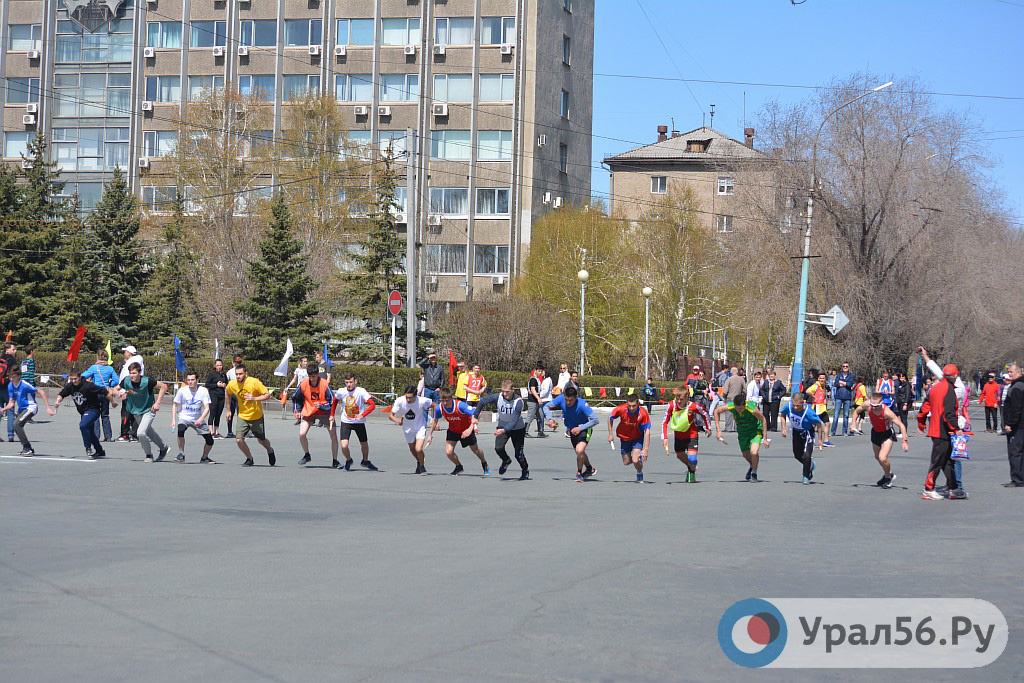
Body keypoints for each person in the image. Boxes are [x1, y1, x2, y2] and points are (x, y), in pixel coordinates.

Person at [917, 363, 964, 500]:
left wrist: (921, 423)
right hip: (942, 430)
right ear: (954, 376)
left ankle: (953, 488)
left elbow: (924, 407)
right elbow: (949, 414)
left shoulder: (935, 388)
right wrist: (956, 428)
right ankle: (928, 489)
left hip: (936, 429)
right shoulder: (949, 390)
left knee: (947, 460)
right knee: (937, 461)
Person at [473, 379, 530, 480]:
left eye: (507, 391)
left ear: (513, 389)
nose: (505, 394)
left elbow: (514, 421)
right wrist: (475, 416)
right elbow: (482, 401)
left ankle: (525, 471)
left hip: (517, 428)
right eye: (503, 391)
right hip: (503, 425)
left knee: (519, 454)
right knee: (498, 448)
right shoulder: (497, 397)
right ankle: (506, 460)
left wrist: (504, 430)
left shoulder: (518, 402)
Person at [55, 369, 116, 460]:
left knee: (83, 425)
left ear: (80, 377)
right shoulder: (70, 386)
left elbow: (104, 391)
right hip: (83, 412)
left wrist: (113, 402)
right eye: (72, 379)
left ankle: (88, 448)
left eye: (75, 379)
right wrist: (58, 401)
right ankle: (99, 451)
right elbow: (61, 394)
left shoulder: (88, 386)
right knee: (90, 432)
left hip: (93, 410)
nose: (74, 381)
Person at [851, 392, 908, 488]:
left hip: (887, 434)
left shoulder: (887, 412)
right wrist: (853, 423)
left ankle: (888, 478)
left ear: (881, 403)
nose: (873, 408)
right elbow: (856, 411)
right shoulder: (867, 405)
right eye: (872, 405)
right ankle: (889, 473)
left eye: (876, 406)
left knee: (882, 458)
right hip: (876, 433)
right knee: (877, 457)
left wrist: (904, 441)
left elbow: (901, 425)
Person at [224, 364, 277, 467]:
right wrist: (228, 410)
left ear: (246, 374)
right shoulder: (232, 384)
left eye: (240, 374)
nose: (238, 376)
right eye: (236, 374)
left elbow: (267, 395)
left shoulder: (254, 382)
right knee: (239, 439)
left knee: (261, 440)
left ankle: (270, 450)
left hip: (256, 416)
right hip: (242, 416)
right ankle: (249, 458)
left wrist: (254, 398)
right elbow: (227, 393)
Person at [429, 387, 489, 476]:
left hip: (466, 430)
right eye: (443, 401)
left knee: (475, 450)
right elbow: (435, 420)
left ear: (451, 398)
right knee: (449, 452)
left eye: (447, 401)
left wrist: (470, 429)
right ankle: (458, 466)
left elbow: (477, 413)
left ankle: (484, 463)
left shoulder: (460, 405)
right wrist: (430, 435)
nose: (445, 403)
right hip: (453, 430)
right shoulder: (439, 408)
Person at [546, 386, 600, 482]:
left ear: (576, 397)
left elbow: (595, 420)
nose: (568, 403)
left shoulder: (582, 404)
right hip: (572, 430)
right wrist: (550, 419)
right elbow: (546, 406)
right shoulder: (561, 398)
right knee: (580, 452)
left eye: (570, 400)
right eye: (566, 400)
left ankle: (579, 473)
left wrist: (580, 428)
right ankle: (589, 469)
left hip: (584, 428)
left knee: (579, 450)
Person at [713, 391, 769, 481]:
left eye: (741, 408)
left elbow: (763, 419)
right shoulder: (731, 406)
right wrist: (718, 431)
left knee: (754, 452)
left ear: (745, 405)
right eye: (737, 408)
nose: (739, 410)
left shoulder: (752, 408)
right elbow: (716, 411)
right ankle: (753, 465)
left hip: (755, 431)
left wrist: (765, 438)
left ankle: (754, 473)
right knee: (746, 454)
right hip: (742, 432)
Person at [119, 362, 168, 464]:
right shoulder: (126, 380)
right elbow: (115, 389)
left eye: (134, 373)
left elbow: (164, 386)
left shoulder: (148, 381)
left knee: (141, 433)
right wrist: (119, 394)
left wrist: (158, 402)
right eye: (130, 373)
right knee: (149, 432)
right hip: (136, 410)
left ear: (139, 373)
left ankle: (148, 455)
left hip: (149, 409)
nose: (132, 375)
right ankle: (164, 448)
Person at [661, 386, 711, 483]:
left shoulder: (692, 406)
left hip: (692, 435)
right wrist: (664, 437)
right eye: (677, 398)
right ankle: (691, 467)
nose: (679, 401)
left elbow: (705, 413)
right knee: (679, 455)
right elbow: (664, 422)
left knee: (692, 459)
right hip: (678, 436)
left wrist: (708, 428)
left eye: (681, 399)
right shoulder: (671, 405)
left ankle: (692, 471)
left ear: (687, 397)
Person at [332, 373, 378, 471]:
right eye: (347, 382)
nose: (349, 384)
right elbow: (335, 401)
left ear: (355, 381)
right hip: (346, 421)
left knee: (364, 443)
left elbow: (372, 405)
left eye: (351, 382)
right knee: (344, 445)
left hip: (359, 422)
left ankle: (365, 461)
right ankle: (349, 460)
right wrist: (332, 415)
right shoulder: (341, 391)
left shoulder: (361, 391)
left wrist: (362, 415)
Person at [4, 367, 54, 455]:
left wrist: (48, 407)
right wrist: (3, 409)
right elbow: (11, 403)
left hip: (31, 407)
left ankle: (27, 448)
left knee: (17, 424)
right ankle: (28, 448)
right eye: (10, 377)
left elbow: (41, 392)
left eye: (13, 377)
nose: (11, 379)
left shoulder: (24, 385)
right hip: (22, 409)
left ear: (19, 376)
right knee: (16, 426)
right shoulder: (10, 386)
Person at [295, 370, 339, 468]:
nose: (312, 379)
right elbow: (296, 398)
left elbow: (332, 401)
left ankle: (335, 460)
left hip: (325, 412)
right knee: (302, 434)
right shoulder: (303, 383)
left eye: (314, 376)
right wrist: (297, 410)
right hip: (309, 411)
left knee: (333, 435)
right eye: (310, 376)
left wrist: (322, 406)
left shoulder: (324, 384)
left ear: (318, 375)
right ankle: (307, 455)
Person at [171, 371, 216, 464]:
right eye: (188, 380)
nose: (190, 382)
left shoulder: (203, 391)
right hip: (184, 417)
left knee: (210, 440)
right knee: (180, 429)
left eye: (192, 380)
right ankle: (181, 454)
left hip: (197, 418)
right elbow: (175, 405)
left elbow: (207, 408)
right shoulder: (182, 390)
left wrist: (201, 419)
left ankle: (204, 457)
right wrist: (173, 420)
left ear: (197, 380)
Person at [779, 392, 824, 484]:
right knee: (797, 455)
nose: (795, 408)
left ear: (803, 403)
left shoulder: (809, 412)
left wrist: (820, 440)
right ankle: (810, 464)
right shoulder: (788, 407)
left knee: (807, 455)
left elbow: (819, 424)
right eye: (794, 405)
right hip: (796, 432)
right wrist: (783, 428)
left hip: (807, 433)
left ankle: (806, 476)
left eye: (798, 406)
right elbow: (782, 415)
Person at [389, 384, 434, 475]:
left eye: (410, 398)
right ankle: (419, 461)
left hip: (420, 427)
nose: (408, 400)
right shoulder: (400, 401)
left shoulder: (422, 400)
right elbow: (390, 415)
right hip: (408, 429)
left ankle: (422, 467)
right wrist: (397, 421)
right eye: (407, 397)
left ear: (415, 396)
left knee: (418, 449)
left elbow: (435, 405)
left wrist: (434, 419)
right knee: (412, 449)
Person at [608, 392, 652, 483]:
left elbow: (647, 432)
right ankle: (637, 457)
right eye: (629, 406)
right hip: (624, 437)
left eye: (634, 406)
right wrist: (610, 434)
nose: (631, 408)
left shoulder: (643, 413)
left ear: (638, 403)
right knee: (626, 462)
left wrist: (646, 449)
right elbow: (610, 418)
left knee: (635, 460)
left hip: (637, 437)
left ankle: (639, 472)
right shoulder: (621, 409)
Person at [81, 351, 119, 442]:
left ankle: (96, 436)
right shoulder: (110, 368)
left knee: (95, 414)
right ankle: (108, 436)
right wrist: (109, 384)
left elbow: (83, 376)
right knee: (105, 415)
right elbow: (116, 380)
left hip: (95, 392)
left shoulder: (94, 367)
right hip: (106, 393)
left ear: (98, 358)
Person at [1002, 364, 1024, 487]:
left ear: (1019, 372)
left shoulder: (1017, 387)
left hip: (1017, 426)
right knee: (1020, 452)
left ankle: (1017, 479)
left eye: (1011, 372)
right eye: (1008, 372)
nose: (1009, 374)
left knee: (1015, 452)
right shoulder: (1018, 385)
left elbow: (1016, 408)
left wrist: (1010, 424)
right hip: (1020, 425)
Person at [117, 345, 145, 442]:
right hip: (136, 391)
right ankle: (135, 434)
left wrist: (123, 392)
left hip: (129, 392)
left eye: (125, 352)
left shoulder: (131, 363)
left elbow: (127, 378)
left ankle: (125, 435)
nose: (124, 353)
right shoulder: (137, 362)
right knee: (135, 413)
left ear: (129, 353)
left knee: (126, 413)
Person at [805, 372, 833, 447]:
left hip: (822, 408)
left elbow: (825, 393)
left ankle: (826, 441)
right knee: (814, 425)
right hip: (816, 407)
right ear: (818, 379)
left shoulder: (824, 386)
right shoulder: (816, 386)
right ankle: (810, 440)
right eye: (820, 378)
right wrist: (814, 397)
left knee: (827, 423)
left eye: (823, 378)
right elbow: (807, 391)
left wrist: (825, 398)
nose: (822, 380)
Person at [281, 356, 310, 425]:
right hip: (299, 388)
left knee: (306, 403)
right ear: (301, 362)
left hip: (307, 388)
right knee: (296, 400)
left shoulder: (309, 369)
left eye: (306, 361)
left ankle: (308, 418)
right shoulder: (298, 370)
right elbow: (294, 379)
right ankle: (298, 418)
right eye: (304, 361)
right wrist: (288, 387)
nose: (306, 363)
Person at [204, 359, 228, 439]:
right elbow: (207, 384)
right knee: (213, 413)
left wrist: (224, 385)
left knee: (218, 414)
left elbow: (227, 383)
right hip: (213, 395)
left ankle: (216, 432)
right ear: (215, 366)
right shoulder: (212, 374)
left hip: (221, 396)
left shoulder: (224, 374)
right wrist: (216, 385)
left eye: (220, 365)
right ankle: (211, 432)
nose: (219, 367)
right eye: (218, 365)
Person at [0, 341, 18, 442]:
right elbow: (15, 375)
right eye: (13, 349)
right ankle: (10, 435)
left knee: (0, 411)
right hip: (8, 388)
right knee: (10, 410)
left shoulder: (0, 358)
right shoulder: (12, 360)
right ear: (7, 350)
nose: (15, 351)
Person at [831, 363, 855, 437]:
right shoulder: (839, 375)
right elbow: (835, 384)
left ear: (848, 367)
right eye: (844, 366)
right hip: (838, 397)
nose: (845, 367)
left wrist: (841, 382)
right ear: (842, 367)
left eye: (846, 366)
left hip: (847, 397)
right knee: (836, 415)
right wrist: (844, 384)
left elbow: (850, 384)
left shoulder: (851, 375)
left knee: (846, 415)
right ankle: (833, 432)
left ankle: (844, 431)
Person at [224, 356, 244, 438]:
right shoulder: (242, 371)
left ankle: (230, 431)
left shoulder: (229, 372)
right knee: (240, 413)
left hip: (232, 393)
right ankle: (240, 431)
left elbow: (226, 382)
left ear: (233, 362)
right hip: (238, 393)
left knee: (231, 413)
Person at [525, 364, 548, 437]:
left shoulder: (537, 379)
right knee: (530, 416)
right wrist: (538, 398)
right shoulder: (533, 379)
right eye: (539, 371)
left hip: (536, 401)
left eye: (541, 371)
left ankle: (540, 431)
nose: (540, 373)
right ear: (535, 371)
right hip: (532, 401)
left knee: (540, 415)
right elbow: (533, 390)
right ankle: (525, 431)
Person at [894, 372, 913, 437]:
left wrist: (906, 404)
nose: (901, 378)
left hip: (904, 402)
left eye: (903, 377)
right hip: (899, 402)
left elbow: (908, 394)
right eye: (900, 377)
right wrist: (896, 402)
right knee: (901, 418)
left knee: (904, 418)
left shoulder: (907, 384)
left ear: (905, 377)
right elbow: (898, 394)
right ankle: (901, 431)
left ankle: (904, 433)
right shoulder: (900, 384)